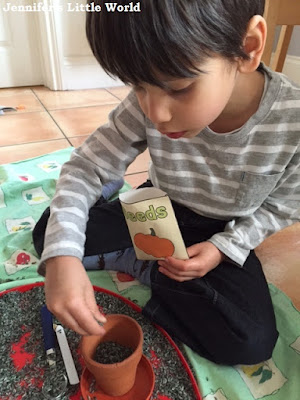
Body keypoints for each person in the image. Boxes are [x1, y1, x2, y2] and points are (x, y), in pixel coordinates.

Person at [33, 0, 300, 365]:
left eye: (179, 88)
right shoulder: (146, 104)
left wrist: (225, 247)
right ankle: (142, 251)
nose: (156, 113)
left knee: (249, 341)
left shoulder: (292, 122)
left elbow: (283, 206)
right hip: (154, 208)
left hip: (220, 231)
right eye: (138, 87)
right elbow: (86, 167)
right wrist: (63, 258)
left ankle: (145, 264)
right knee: (50, 236)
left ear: (248, 47)